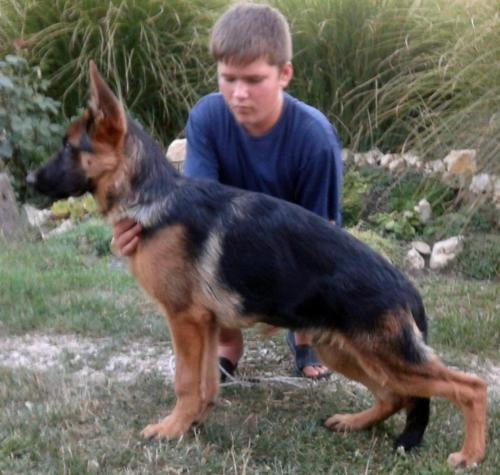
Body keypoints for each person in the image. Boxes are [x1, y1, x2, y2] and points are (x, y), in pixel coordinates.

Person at [112, 2, 343, 380]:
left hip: (295, 244)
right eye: (228, 78)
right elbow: (193, 212)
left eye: (253, 80)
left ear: (284, 74)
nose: (238, 93)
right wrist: (140, 234)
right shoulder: (206, 117)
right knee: (195, 248)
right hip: (230, 238)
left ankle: (304, 335)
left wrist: (288, 289)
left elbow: (323, 235)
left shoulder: (316, 138)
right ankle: (227, 343)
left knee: (316, 283)